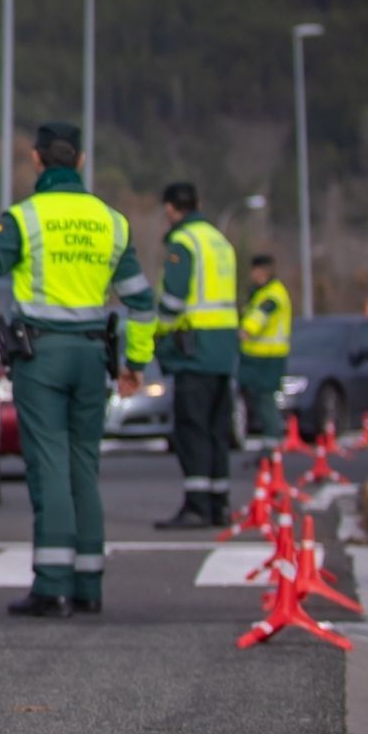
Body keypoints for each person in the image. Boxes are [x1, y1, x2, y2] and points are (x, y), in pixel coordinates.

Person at [0, 122, 156, 618]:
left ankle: (52, 586)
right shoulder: (113, 222)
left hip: (42, 358)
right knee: (84, 466)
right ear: (80, 162)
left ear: (38, 161)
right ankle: (88, 584)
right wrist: (135, 363)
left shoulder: (26, 220)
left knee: (48, 467)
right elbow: (142, 304)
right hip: (91, 359)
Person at [153, 182, 239, 529]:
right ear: (198, 203)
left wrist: (158, 333)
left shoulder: (183, 242)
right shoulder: (220, 241)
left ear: (171, 209)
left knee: (192, 429)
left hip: (194, 348)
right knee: (218, 429)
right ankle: (219, 503)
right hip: (223, 348)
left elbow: (173, 300)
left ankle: (197, 505)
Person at [238, 254, 291, 458]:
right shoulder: (260, 293)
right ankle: (268, 446)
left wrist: (246, 330)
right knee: (259, 403)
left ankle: (271, 449)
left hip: (269, 357)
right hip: (257, 357)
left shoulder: (273, 295)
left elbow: (260, 315)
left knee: (267, 403)